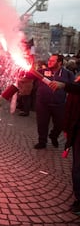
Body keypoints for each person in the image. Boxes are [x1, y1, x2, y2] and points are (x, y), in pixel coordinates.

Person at [49, 76, 80, 214]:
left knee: (78, 169)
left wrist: (63, 85)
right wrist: (68, 127)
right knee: (77, 167)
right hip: (76, 127)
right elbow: (72, 104)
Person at [31, 54, 74, 149]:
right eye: (49, 60)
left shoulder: (68, 74)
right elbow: (30, 75)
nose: (49, 62)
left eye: (52, 60)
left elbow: (73, 87)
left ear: (59, 63)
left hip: (59, 104)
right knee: (42, 123)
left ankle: (54, 135)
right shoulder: (43, 71)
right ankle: (42, 141)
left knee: (60, 124)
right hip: (42, 103)